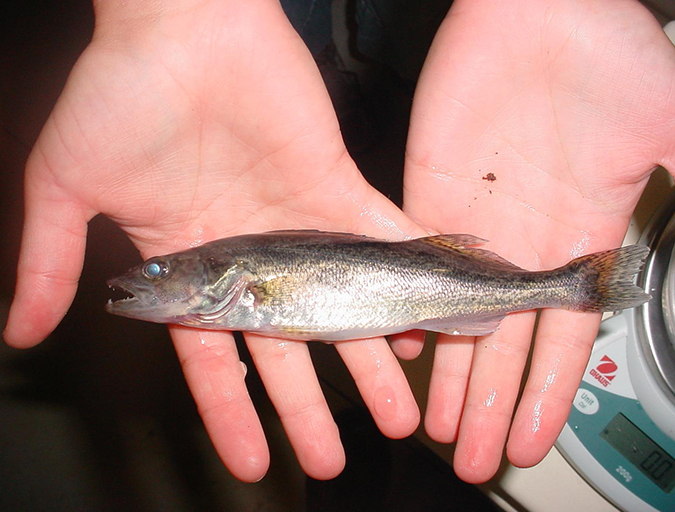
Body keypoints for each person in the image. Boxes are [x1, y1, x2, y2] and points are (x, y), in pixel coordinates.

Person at [4, 0, 675, 486]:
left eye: (155, 268)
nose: (143, 278)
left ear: (210, 273)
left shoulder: (240, 273)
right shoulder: (231, 281)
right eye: (151, 271)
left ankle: (574, 284)